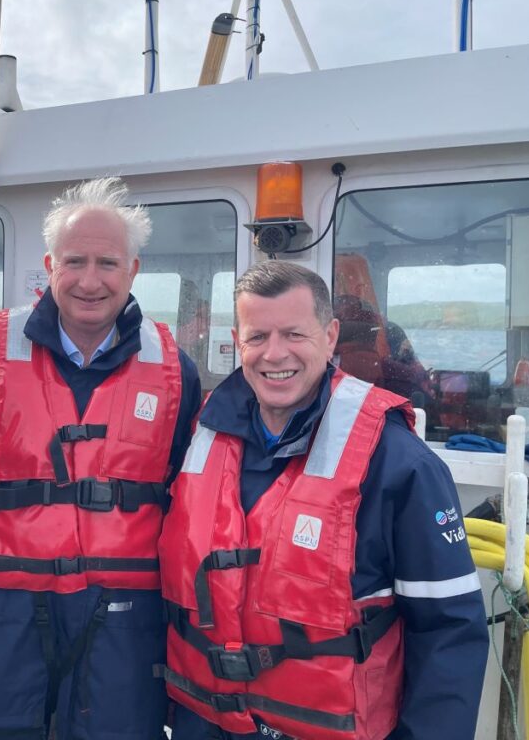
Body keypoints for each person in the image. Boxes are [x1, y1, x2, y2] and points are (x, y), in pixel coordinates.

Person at [0, 177, 202, 740]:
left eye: (107, 263)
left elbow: (188, 506)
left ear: (134, 270)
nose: (89, 281)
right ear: (50, 265)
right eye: (74, 261)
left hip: (123, 620)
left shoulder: (174, 371)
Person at [158, 260, 488, 740]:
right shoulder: (201, 433)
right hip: (202, 720)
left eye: (294, 334)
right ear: (237, 340)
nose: (274, 354)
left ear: (330, 336)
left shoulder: (398, 461)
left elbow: (449, 630)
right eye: (257, 337)